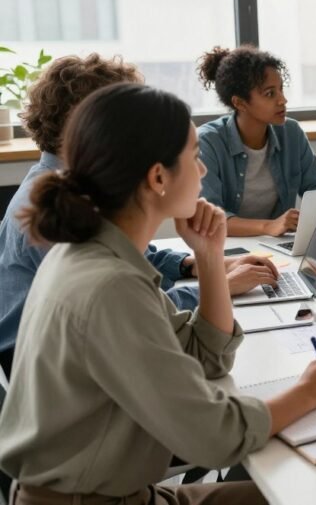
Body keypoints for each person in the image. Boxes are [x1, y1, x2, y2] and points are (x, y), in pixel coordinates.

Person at [0, 83, 316, 505]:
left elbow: (204, 353)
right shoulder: (110, 283)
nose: (202, 172)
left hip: (114, 492)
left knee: (298, 484)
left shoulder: (101, 252)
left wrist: (209, 256)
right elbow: (215, 437)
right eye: (195, 156)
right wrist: (309, 392)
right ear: (158, 177)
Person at [0, 54, 277, 377]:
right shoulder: (56, 213)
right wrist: (219, 285)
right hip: (44, 367)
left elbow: (135, 258)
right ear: (95, 125)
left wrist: (194, 265)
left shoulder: (76, 188)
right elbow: (138, 309)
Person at [197, 45, 316, 236]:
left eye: (281, 89)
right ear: (239, 103)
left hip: (276, 245)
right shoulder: (208, 142)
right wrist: (268, 226)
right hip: (227, 249)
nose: (282, 100)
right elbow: (210, 220)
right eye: (270, 93)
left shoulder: (291, 132)